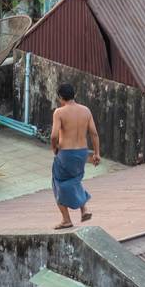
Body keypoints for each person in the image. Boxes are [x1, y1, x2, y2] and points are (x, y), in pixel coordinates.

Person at [50, 83, 100, 229]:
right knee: (74, 179)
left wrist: (55, 148)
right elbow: (94, 133)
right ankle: (84, 209)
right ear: (74, 95)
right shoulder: (86, 110)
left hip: (66, 153)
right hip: (82, 152)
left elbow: (53, 135)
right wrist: (97, 153)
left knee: (58, 182)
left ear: (60, 97)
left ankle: (66, 219)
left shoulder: (59, 112)